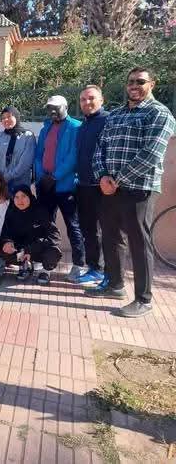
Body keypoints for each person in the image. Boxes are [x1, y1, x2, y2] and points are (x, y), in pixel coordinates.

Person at [89, 67, 176, 318]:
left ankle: (143, 299)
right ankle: (115, 285)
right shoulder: (116, 114)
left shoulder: (159, 113)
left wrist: (117, 180)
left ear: (152, 84)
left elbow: (152, 153)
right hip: (109, 187)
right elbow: (100, 147)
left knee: (139, 242)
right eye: (130, 82)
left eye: (140, 81)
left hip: (140, 188)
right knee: (111, 236)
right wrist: (103, 176)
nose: (134, 85)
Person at [34, 95, 86, 282]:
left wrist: (55, 176)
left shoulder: (76, 127)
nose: (52, 111)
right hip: (45, 186)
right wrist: (42, 176)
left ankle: (78, 265)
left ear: (65, 107)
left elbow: (73, 156)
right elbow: (38, 155)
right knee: (45, 225)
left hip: (65, 186)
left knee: (73, 226)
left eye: (56, 107)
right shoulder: (46, 127)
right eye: (49, 108)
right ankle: (46, 265)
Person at [74, 86, 111, 285]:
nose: (87, 102)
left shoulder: (109, 121)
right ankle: (94, 268)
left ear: (101, 100)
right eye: (83, 99)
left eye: (91, 98)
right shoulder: (83, 126)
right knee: (88, 230)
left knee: (108, 231)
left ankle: (109, 272)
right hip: (83, 185)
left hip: (102, 186)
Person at [1, 186, 62, 285]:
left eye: (23, 196)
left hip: (39, 248)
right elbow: (6, 231)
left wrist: (31, 249)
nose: (20, 200)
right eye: (16, 197)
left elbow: (55, 235)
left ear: (29, 196)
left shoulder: (40, 210)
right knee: (3, 249)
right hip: (21, 249)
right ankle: (25, 266)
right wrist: (7, 242)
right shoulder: (11, 211)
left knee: (53, 251)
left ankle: (45, 271)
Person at [0, 106, 36, 193]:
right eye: (3, 118)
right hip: (0, 184)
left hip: (20, 184)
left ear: (16, 117)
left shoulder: (28, 136)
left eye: (9, 116)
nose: (6, 120)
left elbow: (25, 163)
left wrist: (6, 177)